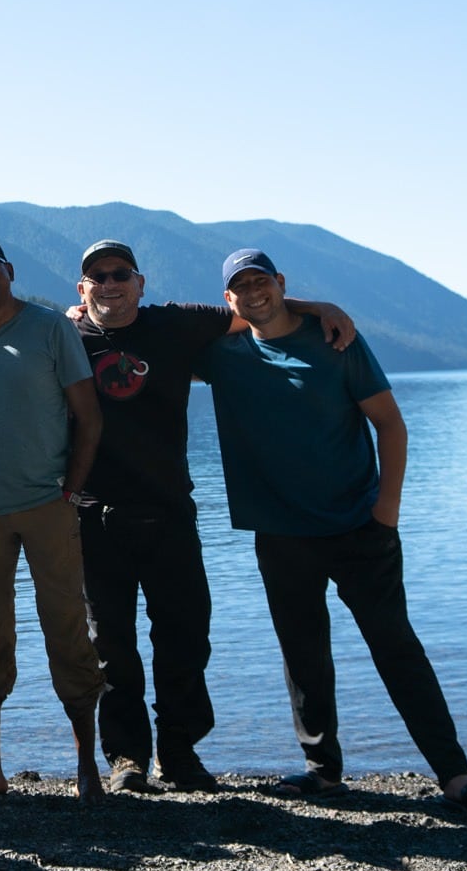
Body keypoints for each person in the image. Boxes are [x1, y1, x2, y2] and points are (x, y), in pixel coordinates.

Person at [196, 248, 467, 828]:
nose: (253, 292)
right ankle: (323, 770)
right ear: (229, 299)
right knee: (303, 653)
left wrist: (385, 512)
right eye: (240, 286)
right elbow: (148, 332)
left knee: (396, 647)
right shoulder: (223, 353)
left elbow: (390, 424)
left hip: (357, 526)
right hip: (280, 532)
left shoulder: (335, 341)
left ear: (280, 283)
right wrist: (78, 313)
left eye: (262, 282)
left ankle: (455, 775)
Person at [64, 239, 356, 797]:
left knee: (185, 639)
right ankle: (126, 757)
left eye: (120, 273)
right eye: (97, 277)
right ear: (83, 289)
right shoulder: (65, 335)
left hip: (170, 511)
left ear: (140, 282)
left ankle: (179, 753)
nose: (109, 283)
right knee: (109, 648)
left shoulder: (175, 324)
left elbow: (255, 312)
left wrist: (322, 309)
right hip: (94, 517)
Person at [0, 235, 105, 804]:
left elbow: (89, 415)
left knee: (67, 628)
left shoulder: (51, 328)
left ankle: (88, 766)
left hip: (46, 507)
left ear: (9, 270)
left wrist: (72, 491)